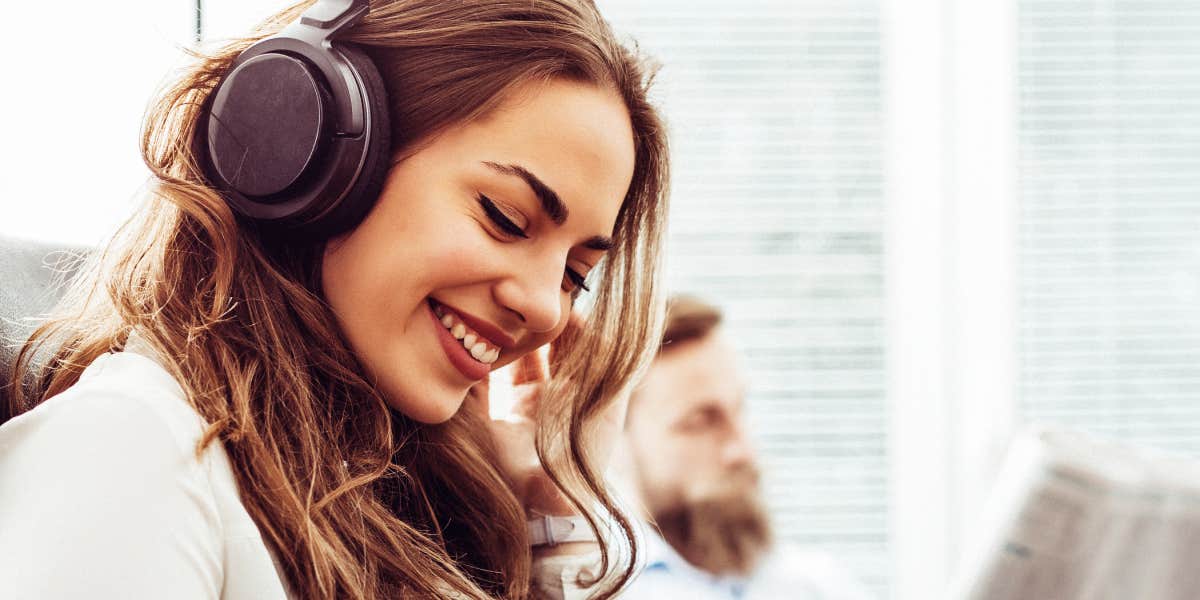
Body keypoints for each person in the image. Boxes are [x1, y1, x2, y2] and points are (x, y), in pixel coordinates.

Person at [0, 1, 669, 598]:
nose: (549, 312)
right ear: (309, 151)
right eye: (505, 217)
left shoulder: (405, 507)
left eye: (575, 274)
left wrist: (548, 520)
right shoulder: (130, 453)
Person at [618, 295, 874, 600]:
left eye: (740, 408)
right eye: (701, 421)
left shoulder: (814, 584)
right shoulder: (597, 590)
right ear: (618, 438)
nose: (742, 449)